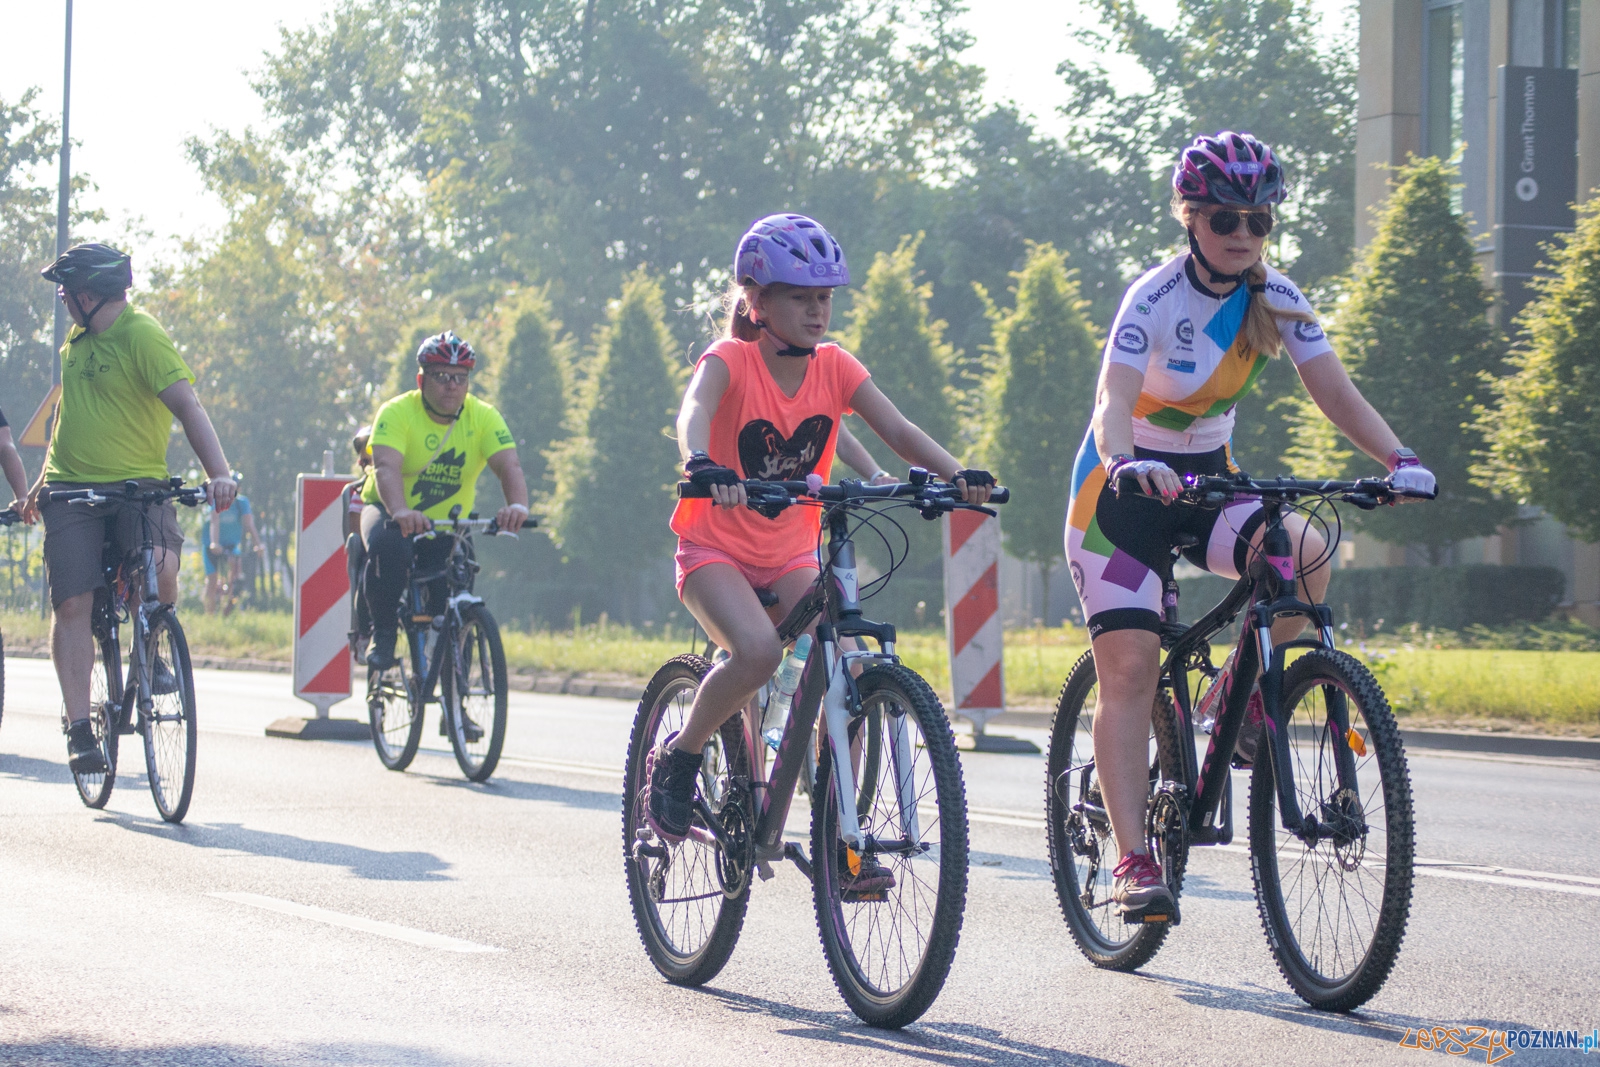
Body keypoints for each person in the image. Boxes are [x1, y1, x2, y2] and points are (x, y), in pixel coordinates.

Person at [1063, 132, 1436, 917]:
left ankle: (1233, 708)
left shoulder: (1278, 298)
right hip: (1120, 493)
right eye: (1227, 217)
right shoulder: (1154, 298)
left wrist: (1398, 457)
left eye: (1258, 221)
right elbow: (1111, 405)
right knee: (1129, 668)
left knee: (1301, 549)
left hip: (1206, 484)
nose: (1242, 234)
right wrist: (1128, 460)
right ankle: (1135, 860)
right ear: (1190, 216)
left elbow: (1333, 390)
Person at [644, 213, 995, 892]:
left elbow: (897, 427)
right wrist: (698, 459)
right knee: (757, 653)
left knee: (844, 664)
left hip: (788, 550)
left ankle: (843, 844)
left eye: (825, 296)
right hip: (713, 546)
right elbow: (693, 410)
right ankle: (682, 758)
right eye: (800, 296)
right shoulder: (731, 361)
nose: (816, 309)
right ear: (757, 301)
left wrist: (958, 475)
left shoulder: (835, 366)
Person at [27, 243, 237, 775]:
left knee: (162, 565)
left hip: (137, 485)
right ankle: (79, 728)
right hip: (72, 489)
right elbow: (68, 422)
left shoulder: (141, 334)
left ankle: (154, 645)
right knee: (73, 603)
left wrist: (219, 473)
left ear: (90, 294)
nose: (61, 299)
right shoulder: (76, 342)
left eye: (66, 291)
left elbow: (189, 406)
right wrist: (40, 483)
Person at [359, 332, 530, 681]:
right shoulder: (396, 412)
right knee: (386, 547)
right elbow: (386, 468)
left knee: (457, 599)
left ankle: (458, 704)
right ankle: (385, 632)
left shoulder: (483, 416)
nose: (451, 385)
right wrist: (401, 512)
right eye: (441, 376)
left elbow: (508, 466)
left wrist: (517, 506)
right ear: (422, 380)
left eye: (460, 378)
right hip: (389, 510)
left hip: (447, 525)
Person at [202, 488, 263, 614]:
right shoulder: (216, 500)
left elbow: (249, 524)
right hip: (211, 545)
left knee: (236, 572)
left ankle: (229, 608)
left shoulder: (242, 503)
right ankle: (209, 616)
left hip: (231, 545)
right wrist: (214, 543)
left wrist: (258, 545)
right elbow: (215, 521)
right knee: (212, 580)